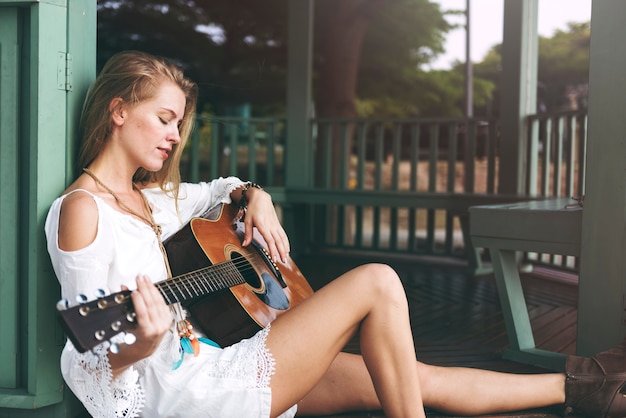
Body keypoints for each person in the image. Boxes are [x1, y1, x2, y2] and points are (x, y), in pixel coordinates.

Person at [44, 50, 626, 418]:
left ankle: (586, 384)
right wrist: (144, 342)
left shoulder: (153, 197)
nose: (174, 136)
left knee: (410, 379)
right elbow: (97, 360)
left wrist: (258, 199)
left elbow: (228, 187)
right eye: (164, 119)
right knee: (377, 281)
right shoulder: (82, 210)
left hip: (221, 353)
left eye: (180, 125)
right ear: (119, 111)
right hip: (187, 392)